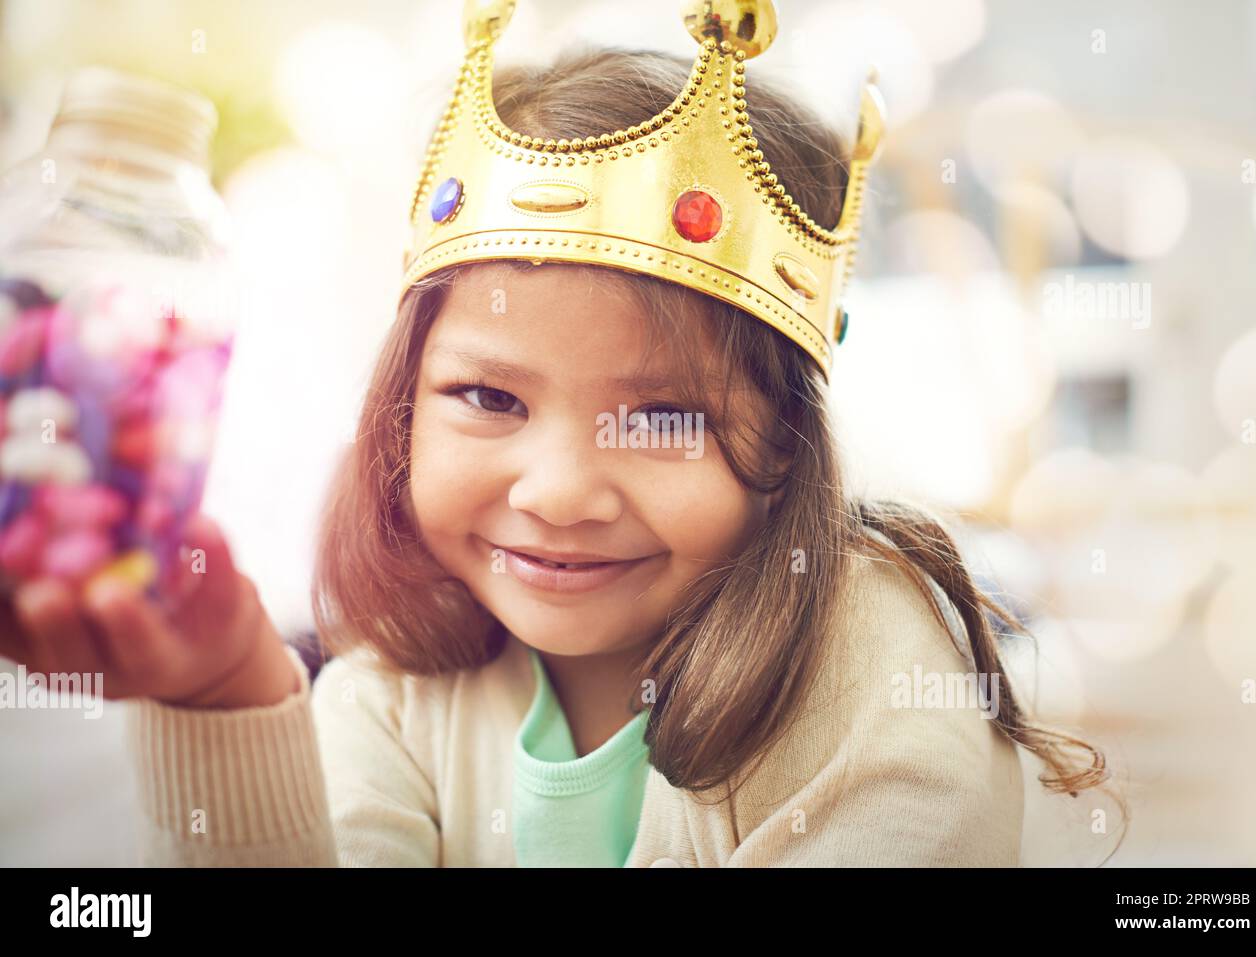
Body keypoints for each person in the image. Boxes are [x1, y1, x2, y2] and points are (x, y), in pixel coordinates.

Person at [0, 0, 1121, 866]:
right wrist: (228, 693)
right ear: (401, 407)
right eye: (489, 399)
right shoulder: (395, 687)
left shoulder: (875, 674)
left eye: (665, 416)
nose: (559, 490)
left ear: (784, 446)